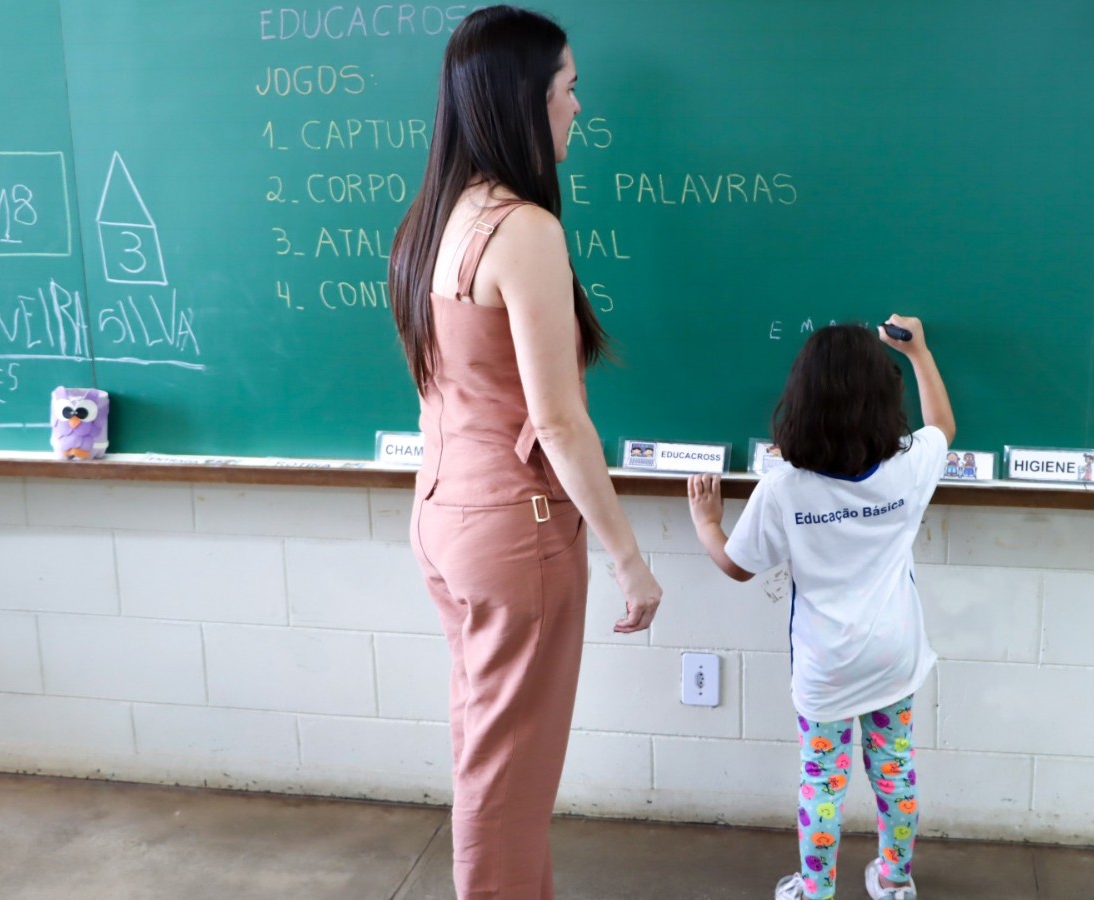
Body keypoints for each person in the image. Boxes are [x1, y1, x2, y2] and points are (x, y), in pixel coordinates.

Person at [387, 7, 663, 897]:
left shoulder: (431, 221)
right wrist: (630, 560)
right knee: (510, 781)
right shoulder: (524, 231)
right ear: (526, 98)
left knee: (489, 752)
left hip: (441, 517)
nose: (579, 107)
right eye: (570, 87)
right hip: (515, 529)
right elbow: (558, 421)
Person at [686, 316, 954, 900]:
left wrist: (708, 523)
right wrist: (921, 353)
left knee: (821, 784)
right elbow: (943, 426)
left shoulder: (784, 486)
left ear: (800, 401)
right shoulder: (907, 468)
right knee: (894, 772)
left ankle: (814, 889)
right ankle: (894, 880)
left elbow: (736, 565)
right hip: (893, 656)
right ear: (884, 400)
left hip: (825, 665)